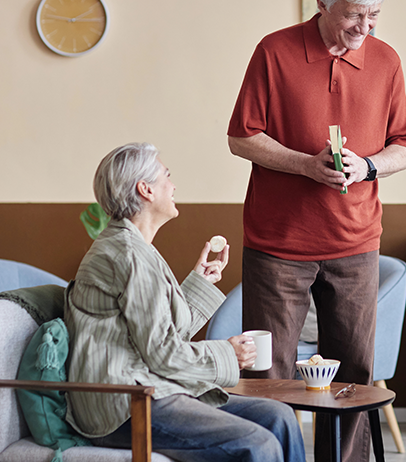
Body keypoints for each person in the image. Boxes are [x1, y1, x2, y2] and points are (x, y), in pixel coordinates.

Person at [227, 0, 406, 461]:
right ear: (322, 4)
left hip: (356, 241)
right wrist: (304, 165)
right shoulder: (274, 51)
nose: (366, 26)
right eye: (355, 14)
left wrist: (369, 167)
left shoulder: (386, 60)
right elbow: (241, 138)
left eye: (375, 15)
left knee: (355, 371)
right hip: (277, 243)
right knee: (269, 371)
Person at [64, 143, 305, 462]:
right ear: (145, 189)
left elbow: (162, 336)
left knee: (280, 418)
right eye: (167, 176)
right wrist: (227, 353)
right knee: (259, 444)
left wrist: (199, 283)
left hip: (148, 388)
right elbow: (163, 353)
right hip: (124, 404)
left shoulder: (134, 247)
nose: (173, 185)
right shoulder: (128, 255)